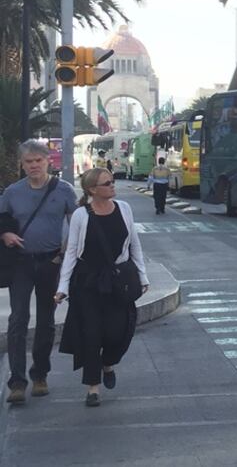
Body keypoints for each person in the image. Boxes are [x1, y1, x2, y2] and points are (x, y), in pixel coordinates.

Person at [55, 168, 149, 407]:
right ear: (92, 190)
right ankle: (92, 387)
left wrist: (142, 276)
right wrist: (62, 287)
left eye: (112, 181)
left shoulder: (124, 209)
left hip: (117, 279)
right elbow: (72, 253)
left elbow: (134, 244)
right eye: (107, 183)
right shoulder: (81, 215)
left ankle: (108, 362)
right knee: (91, 333)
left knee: (119, 331)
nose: (112, 185)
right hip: (87, 282)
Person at [0, 140, 78, 404]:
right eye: (28, 162)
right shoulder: (12, 192)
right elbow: (1, 220)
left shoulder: (64, 190)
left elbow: (77, 224)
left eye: (38, 160)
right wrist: (7, 233)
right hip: (20, 263)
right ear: (21, 165)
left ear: (48, 161)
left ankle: (40, 375)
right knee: (18, 319)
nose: (33, 166)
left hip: (51, 263)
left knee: (46, 321)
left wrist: (67, 255)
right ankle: (17, 382)